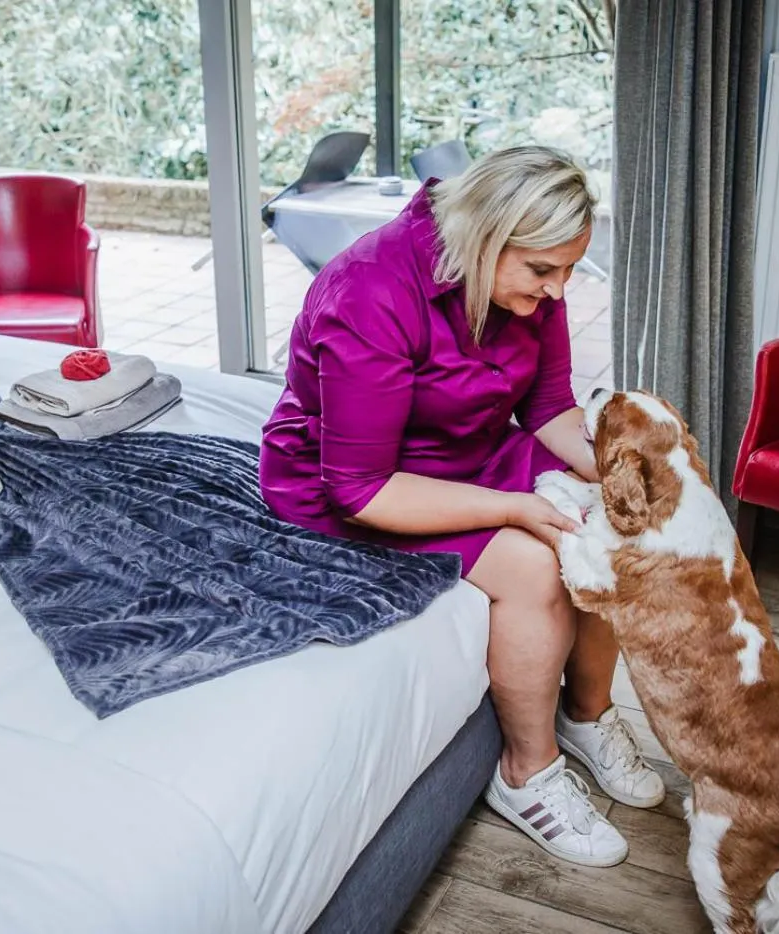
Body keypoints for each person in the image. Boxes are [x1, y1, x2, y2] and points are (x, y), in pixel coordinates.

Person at [259, 146, 664, 867]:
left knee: (608, 525)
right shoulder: (370, 291)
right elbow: (361, 488)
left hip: (466, 448)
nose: (559, 291)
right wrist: (510, 508)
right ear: (486, 237)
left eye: (569, 270)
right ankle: (526, 772)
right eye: (543, 271)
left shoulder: (529, 286)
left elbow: (548, 407)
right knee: (534, 568)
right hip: (356, 484)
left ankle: (587, 714)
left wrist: (618, 474)